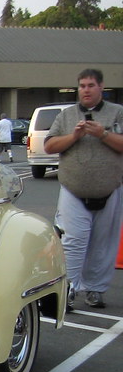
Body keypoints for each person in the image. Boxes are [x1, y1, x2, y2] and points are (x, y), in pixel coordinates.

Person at [43, 68, 123, 309]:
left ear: (101, 87)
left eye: (90, 85)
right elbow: (49, 145)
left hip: (109, 189)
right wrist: (74, 136)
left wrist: (103, 134)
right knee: (73, 241)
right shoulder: (67, 116)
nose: (85, 90)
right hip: (73, 189)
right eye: (82, 86)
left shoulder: (117, 113)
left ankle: (95, 289)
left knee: (103, 244)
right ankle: (68, 288)